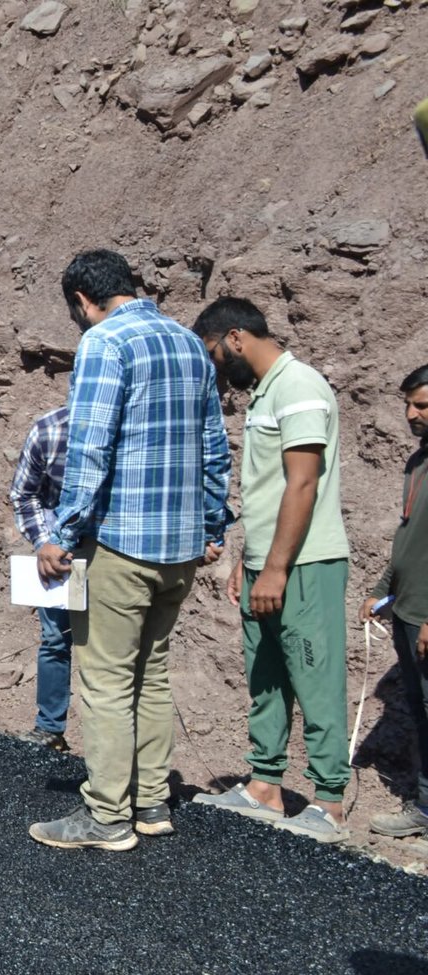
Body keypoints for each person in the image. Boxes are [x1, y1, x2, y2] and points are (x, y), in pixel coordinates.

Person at [28, 250, 231, 851]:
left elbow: (89, 448)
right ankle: (151, 802)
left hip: (121, 542)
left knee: (107, 681)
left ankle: (107, 815)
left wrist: (63, 534)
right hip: (180, 549)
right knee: (153, 673)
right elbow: (214, 446)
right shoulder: (189, 343)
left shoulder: (104, 343)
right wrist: (212, 526)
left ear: (82, 300)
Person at [190, 297, 352, 844]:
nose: (216, 367)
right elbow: (267, 491)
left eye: (214, 353)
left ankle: (329, 802)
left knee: (314, 676)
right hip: (269, 562)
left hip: (305, 563)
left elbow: (301, 484)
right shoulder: (266, 392)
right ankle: (264, 786)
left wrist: (277, 568)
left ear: (235, 337)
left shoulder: (299, 386)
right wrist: (249, 559)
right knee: (266, 676)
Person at [361, 364, 428, 839]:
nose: (411, 414)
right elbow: (409, 538)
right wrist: (381, 589)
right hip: (407, 610)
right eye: (407, 405)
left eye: (422, 405)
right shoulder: (417, 463)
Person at [9, 405, 73, 752]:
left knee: (112, 652)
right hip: (58, 555)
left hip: (114, 553)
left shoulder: (131, 426)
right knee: (55, 640)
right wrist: (43, 542)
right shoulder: (50, 430)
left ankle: (115, 745)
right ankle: (50, 728)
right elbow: (24, 493)